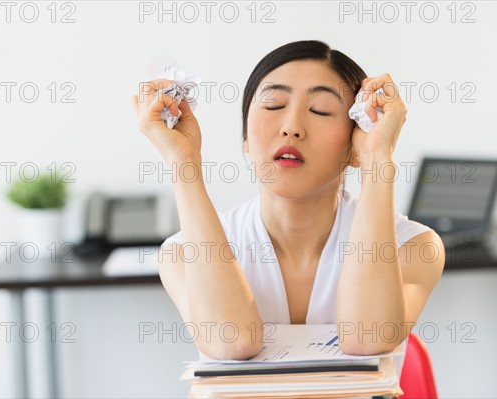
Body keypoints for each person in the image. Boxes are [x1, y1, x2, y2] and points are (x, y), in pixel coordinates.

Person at [132, 40, 445, 363]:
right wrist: (183, 162)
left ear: (355, 145)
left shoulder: (414, 247)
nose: (292, 128)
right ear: (245, 138)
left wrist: (378, 158)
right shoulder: (182, 252)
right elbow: (233, 343)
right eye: (273, 105)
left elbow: (367, 337)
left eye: (321, 110)